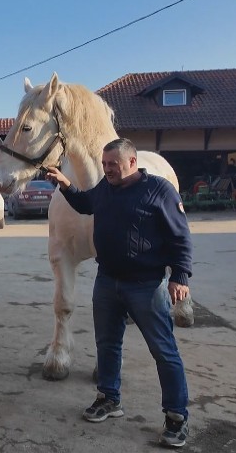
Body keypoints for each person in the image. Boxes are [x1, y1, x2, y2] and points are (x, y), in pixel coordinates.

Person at [44, 138, 193, 448]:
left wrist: (179, 276)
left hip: (146, 285)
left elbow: (180, 236)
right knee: (108, 344)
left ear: (132, 162)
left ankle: (176, 417)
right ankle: (109, 398)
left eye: (113, 164)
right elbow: (86, 204)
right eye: (104, 164)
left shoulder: (159, 190)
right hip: (108, 280)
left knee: (163, 350)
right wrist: (66, 184)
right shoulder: (105, 188)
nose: (107, 169)